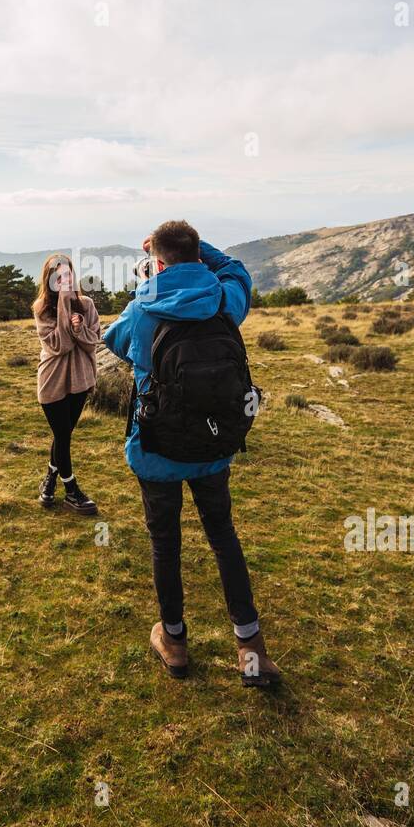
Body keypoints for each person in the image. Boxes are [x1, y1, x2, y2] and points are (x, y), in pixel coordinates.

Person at [103, 220, 281, 688]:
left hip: (157, 450)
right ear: (197, 254)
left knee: (166, 542)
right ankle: (251, 650)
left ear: (157, 261)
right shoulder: (224, 300)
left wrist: (148, 284)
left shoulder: (144, 309)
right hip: (213, 445)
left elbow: (111, 340)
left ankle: (176, 642)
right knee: (223, 537)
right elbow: (238, 269)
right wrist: (202, 254)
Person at [33, 254, 101, 515]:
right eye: (59, 277)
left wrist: (80, 326)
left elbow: (92, 341)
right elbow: (60, 345)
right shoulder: (41, 309)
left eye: (69, 274)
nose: (66, 280)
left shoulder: (86, 304)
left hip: (80, 380)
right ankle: (71, 490)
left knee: (64, 435)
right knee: (62, 435)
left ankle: (50, 480)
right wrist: (64, 304)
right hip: (53, 381)